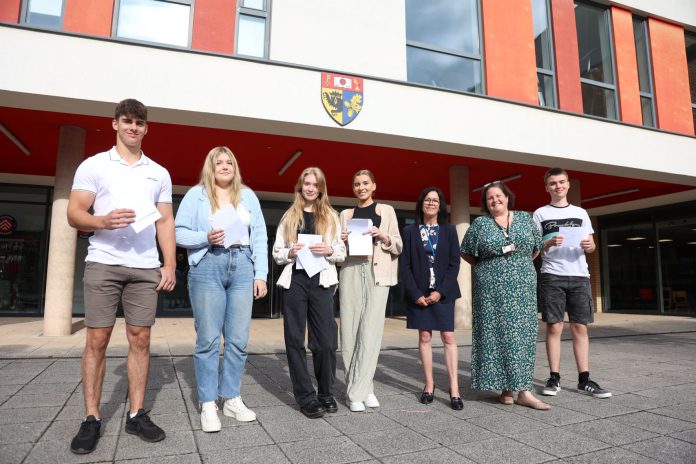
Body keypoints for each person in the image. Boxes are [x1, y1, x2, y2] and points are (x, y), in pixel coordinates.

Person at [67, 99, 176, 454]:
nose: (133, 127)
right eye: (127, 121)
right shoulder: (94, 165)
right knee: (96, 340)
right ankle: (92, 418)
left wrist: (170, 264)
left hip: (145, 267)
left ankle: (136, 413)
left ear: (147, 128)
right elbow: (74, 213)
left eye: (139, 123)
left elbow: (165, 222)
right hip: (104, 262)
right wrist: (101, 221)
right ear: (115, 124)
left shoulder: (158, 172)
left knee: (140, 339)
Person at [174, 146, 268, 432]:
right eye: (219, 162)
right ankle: (207, 403)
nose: (225, 166)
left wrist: (260, 274)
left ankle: (231, 397)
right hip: (208, 266)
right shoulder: (196, 195)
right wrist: (206, 237)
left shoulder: (248, 195)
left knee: (238, 339)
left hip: (242, 266)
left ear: (235, 167)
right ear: (210, 167)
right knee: (208, 340)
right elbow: (178, 232)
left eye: (229, 162)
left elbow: (260, 235)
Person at [460, 181, 549, 410]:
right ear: (485, 203)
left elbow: (536, 247)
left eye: (498, 196)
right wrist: (487, 268)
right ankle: (506, 389)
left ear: (507, 198)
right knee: (497, 335)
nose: (494, 200)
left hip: (522, 288)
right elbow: (467, 252)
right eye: (489, 198)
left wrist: (518, 266)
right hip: (490, 289)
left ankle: (524, 391)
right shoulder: (480, 223)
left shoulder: (524, 219)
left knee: (522, 335)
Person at [272, 167, 346, 418]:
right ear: (300, 187)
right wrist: (290, 252)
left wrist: (329, 251)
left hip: (322, 282)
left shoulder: (331, 216)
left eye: (315, 184)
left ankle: (326, 392)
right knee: (294, 340)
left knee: (325, 342)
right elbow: (277, 252)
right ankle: (306, 396)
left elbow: (341, 253)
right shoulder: (289, 216)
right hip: (296, 282)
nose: (311, 188)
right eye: (307, 184)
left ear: (321, 188)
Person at [533, 168, 611, 399]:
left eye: (562, 182)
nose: (558, 186)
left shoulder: (581, 213)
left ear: (568, 185)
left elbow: (593, 246)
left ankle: (584, 380)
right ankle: (554, 377)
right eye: (553, 183)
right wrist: (547, 244)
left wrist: (591, 247)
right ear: (547, 187)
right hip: (552, 275)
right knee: (554, 326)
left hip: (580, 276)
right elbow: (534, 249)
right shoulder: (540, 214)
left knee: (579, 327)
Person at [338, 170, 402, 412]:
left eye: (365, 183)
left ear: (374, 186)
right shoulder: (345, 214)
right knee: (350, 330)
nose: (361, 187)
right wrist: (342, 239)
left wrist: (382, 235)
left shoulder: (386, 211)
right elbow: (338, 251)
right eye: (356, 184)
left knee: (371, 332)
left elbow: (398, 245)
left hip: (378, 273)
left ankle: (359, 390)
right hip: (351, 270)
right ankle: (362, 389)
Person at [399, 187, 463, 410]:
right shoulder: (409, 231)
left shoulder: (449, 230)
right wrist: (415, 293)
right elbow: (404, 265)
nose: (431, 203)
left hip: (443, 293)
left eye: (435, 200)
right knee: (425, 337)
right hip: (419, 293)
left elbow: (455, 263)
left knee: (448, 337)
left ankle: (454, 388)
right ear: (421, 203)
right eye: (427, 199)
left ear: (440, 205)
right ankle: (429, 385)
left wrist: (440, 291)